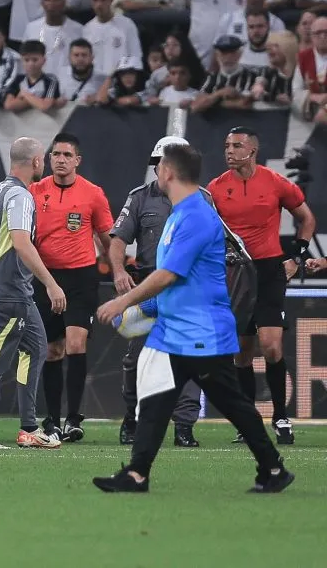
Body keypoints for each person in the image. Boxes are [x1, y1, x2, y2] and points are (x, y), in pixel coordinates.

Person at [94, 143, 294, 494]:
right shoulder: (178, 214)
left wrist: (123, 302)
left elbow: (169, 274)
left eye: (159, 167)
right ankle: (137, 474)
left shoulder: (198, 216)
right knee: (155, 401)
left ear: (168, 172)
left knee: (232, 404)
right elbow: (176, 280)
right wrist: (150, 311)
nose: (156, 171)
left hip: (202, 333)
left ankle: (273, 468)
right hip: (174, 330)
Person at [208, 127, 317, 445]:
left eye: (236, 145)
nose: (229, 150)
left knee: (271, 346)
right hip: (235, 274)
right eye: (226, 145)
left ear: (252, 151)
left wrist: (296, 255)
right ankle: (247, 420)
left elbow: (307, 219)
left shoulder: (275, 182)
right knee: (241, 354)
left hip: (269, 271)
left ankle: (281, 416)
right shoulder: (215, 188)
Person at [0, 136, 65, 450]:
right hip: (10, 291)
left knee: (35, 349)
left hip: (3, 287)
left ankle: (29, 429)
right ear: (36, 162)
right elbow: (21, 242)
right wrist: (50, 282)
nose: (44, 164)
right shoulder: (20, 195)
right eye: (43, 160)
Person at [110, 136, 206, 447]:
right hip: (148, 286)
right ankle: (132, 417)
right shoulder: (139, 198)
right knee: (137, 359)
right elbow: (117, 240)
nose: (161, 169)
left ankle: (184, 426)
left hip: (188, 290)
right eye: (158, 163)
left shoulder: (203, 199)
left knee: (190, 358)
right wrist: (119, 270)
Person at [30, 132, 114, 441]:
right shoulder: (35, 191)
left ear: (77, 160)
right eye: (56, 155)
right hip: (45, 278)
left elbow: (108, 238)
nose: (61, 160)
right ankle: (51, 417)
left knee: (76, 344)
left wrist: (117, 271)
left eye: (67, 155)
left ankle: (74, 418)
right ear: (49, 159)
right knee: (52, 350)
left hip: (81, 277)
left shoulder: (93, 193)